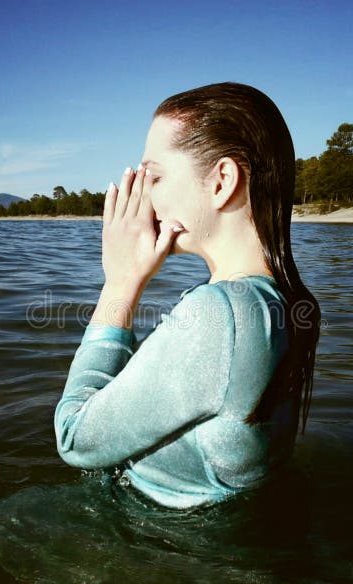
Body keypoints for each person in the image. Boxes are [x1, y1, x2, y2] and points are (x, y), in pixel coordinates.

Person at [54, 82, 321, 510]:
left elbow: (74, 438)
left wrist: (120, 283)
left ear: (221, 181)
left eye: (155, 176)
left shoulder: (220, 316)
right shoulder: (282, 301)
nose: (144, 198)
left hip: (160, 552)